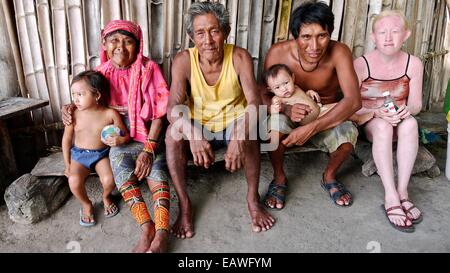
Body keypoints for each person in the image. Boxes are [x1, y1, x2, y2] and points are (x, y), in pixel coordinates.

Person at [165, 1, 275, 238]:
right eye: (200, 33)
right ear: (191, 37)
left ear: (225, 32)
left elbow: (254, 103)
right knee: (172, 135)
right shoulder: (184, 60)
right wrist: (193, 133)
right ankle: (185, 206)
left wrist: (239, 136)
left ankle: (253, 199)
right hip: (199, 124)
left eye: (215, 31)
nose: (208, 40)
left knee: (251, 130)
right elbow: (172, 107)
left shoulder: (239, 56)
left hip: (233, 122)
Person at [62, 20, 171, 252]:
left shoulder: (148, 69)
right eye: (114, 41)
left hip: (149, 135)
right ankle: (146, 227)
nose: (120, 46)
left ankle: (161, 232)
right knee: (122, 175)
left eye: (128, 41)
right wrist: (69, 107)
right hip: (117, 138)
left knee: (157, 174)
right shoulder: (98, 75)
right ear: (104, 44)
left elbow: (160, 115)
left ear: (138, 45)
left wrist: (148, 151)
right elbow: (82, 98)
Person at [261, 0, 362, 210]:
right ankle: (279, 178)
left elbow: (353, 100)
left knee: (348, 134)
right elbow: (264, 93)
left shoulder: (340, 52)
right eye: (306, 37)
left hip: (325, 115)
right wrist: (287, 109)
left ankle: (329, 176)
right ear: (295, 35)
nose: (314, 46)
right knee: (274, 128)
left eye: (322, 36)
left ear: (330, 33)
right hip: (288, 115)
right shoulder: (278, 53)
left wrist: (312, 127)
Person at [353, 10, 423, 232]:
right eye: (382, 32)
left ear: (406, 35)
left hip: (398, 117)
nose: (388, 38)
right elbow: (352, 107)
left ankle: (403, 191)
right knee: (383, 127)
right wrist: (377, 112)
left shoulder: (413, 64)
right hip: (370, 120)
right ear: (373, 37)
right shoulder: (361, 64)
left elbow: (416, 105)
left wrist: (404, 110)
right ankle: (391, 196)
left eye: (395, 32)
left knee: (412, 123)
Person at [62, 70, 129, 227]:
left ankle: (106, 197)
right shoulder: (74, 114)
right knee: (74, 181)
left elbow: (125, 135)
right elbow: (66, 139)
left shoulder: (110, 114)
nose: (75, 99)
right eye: (73, 94)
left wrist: (120, 140)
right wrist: (67, 165)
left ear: (97, 96)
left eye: (80, 94)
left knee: (109, 179)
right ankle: (86, 204)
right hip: (79, 156)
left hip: (101, 155)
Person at [263, 63, 373, 129]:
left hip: (319, 111)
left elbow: (301, 97)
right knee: (339, 110)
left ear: (293, 78)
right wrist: (275, 108)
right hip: (308, 122)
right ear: (271, 90)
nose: (284, 89)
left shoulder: (296, 88)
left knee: (340, 107)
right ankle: (358, 119)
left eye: (286, 83)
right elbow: (273, 111)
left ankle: (356, 119)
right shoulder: (278, 98)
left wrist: (309, 93)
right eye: (277, 88)